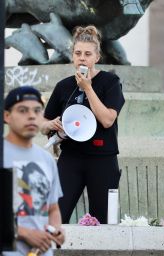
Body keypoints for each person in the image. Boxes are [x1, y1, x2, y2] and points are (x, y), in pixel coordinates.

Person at [41, 25, 125, 224]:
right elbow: (43, 123)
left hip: (102, 159)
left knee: (102, 220)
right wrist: (50, 124)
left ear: (97, 57)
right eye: (77, 53)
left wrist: (87, 88)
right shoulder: (63, 86)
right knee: (55, 217)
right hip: (71, 158)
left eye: (88, 54)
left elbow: (107, 119)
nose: (82, 58)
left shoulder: (110, 82)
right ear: (72, 56)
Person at [3, 85, 65, 256]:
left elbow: (52, 209)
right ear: (6, 116)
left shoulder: (46, 160)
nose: (31, 116)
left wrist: (57, 230)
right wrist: (24, 233)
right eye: (23, 110)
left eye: (37, 111)